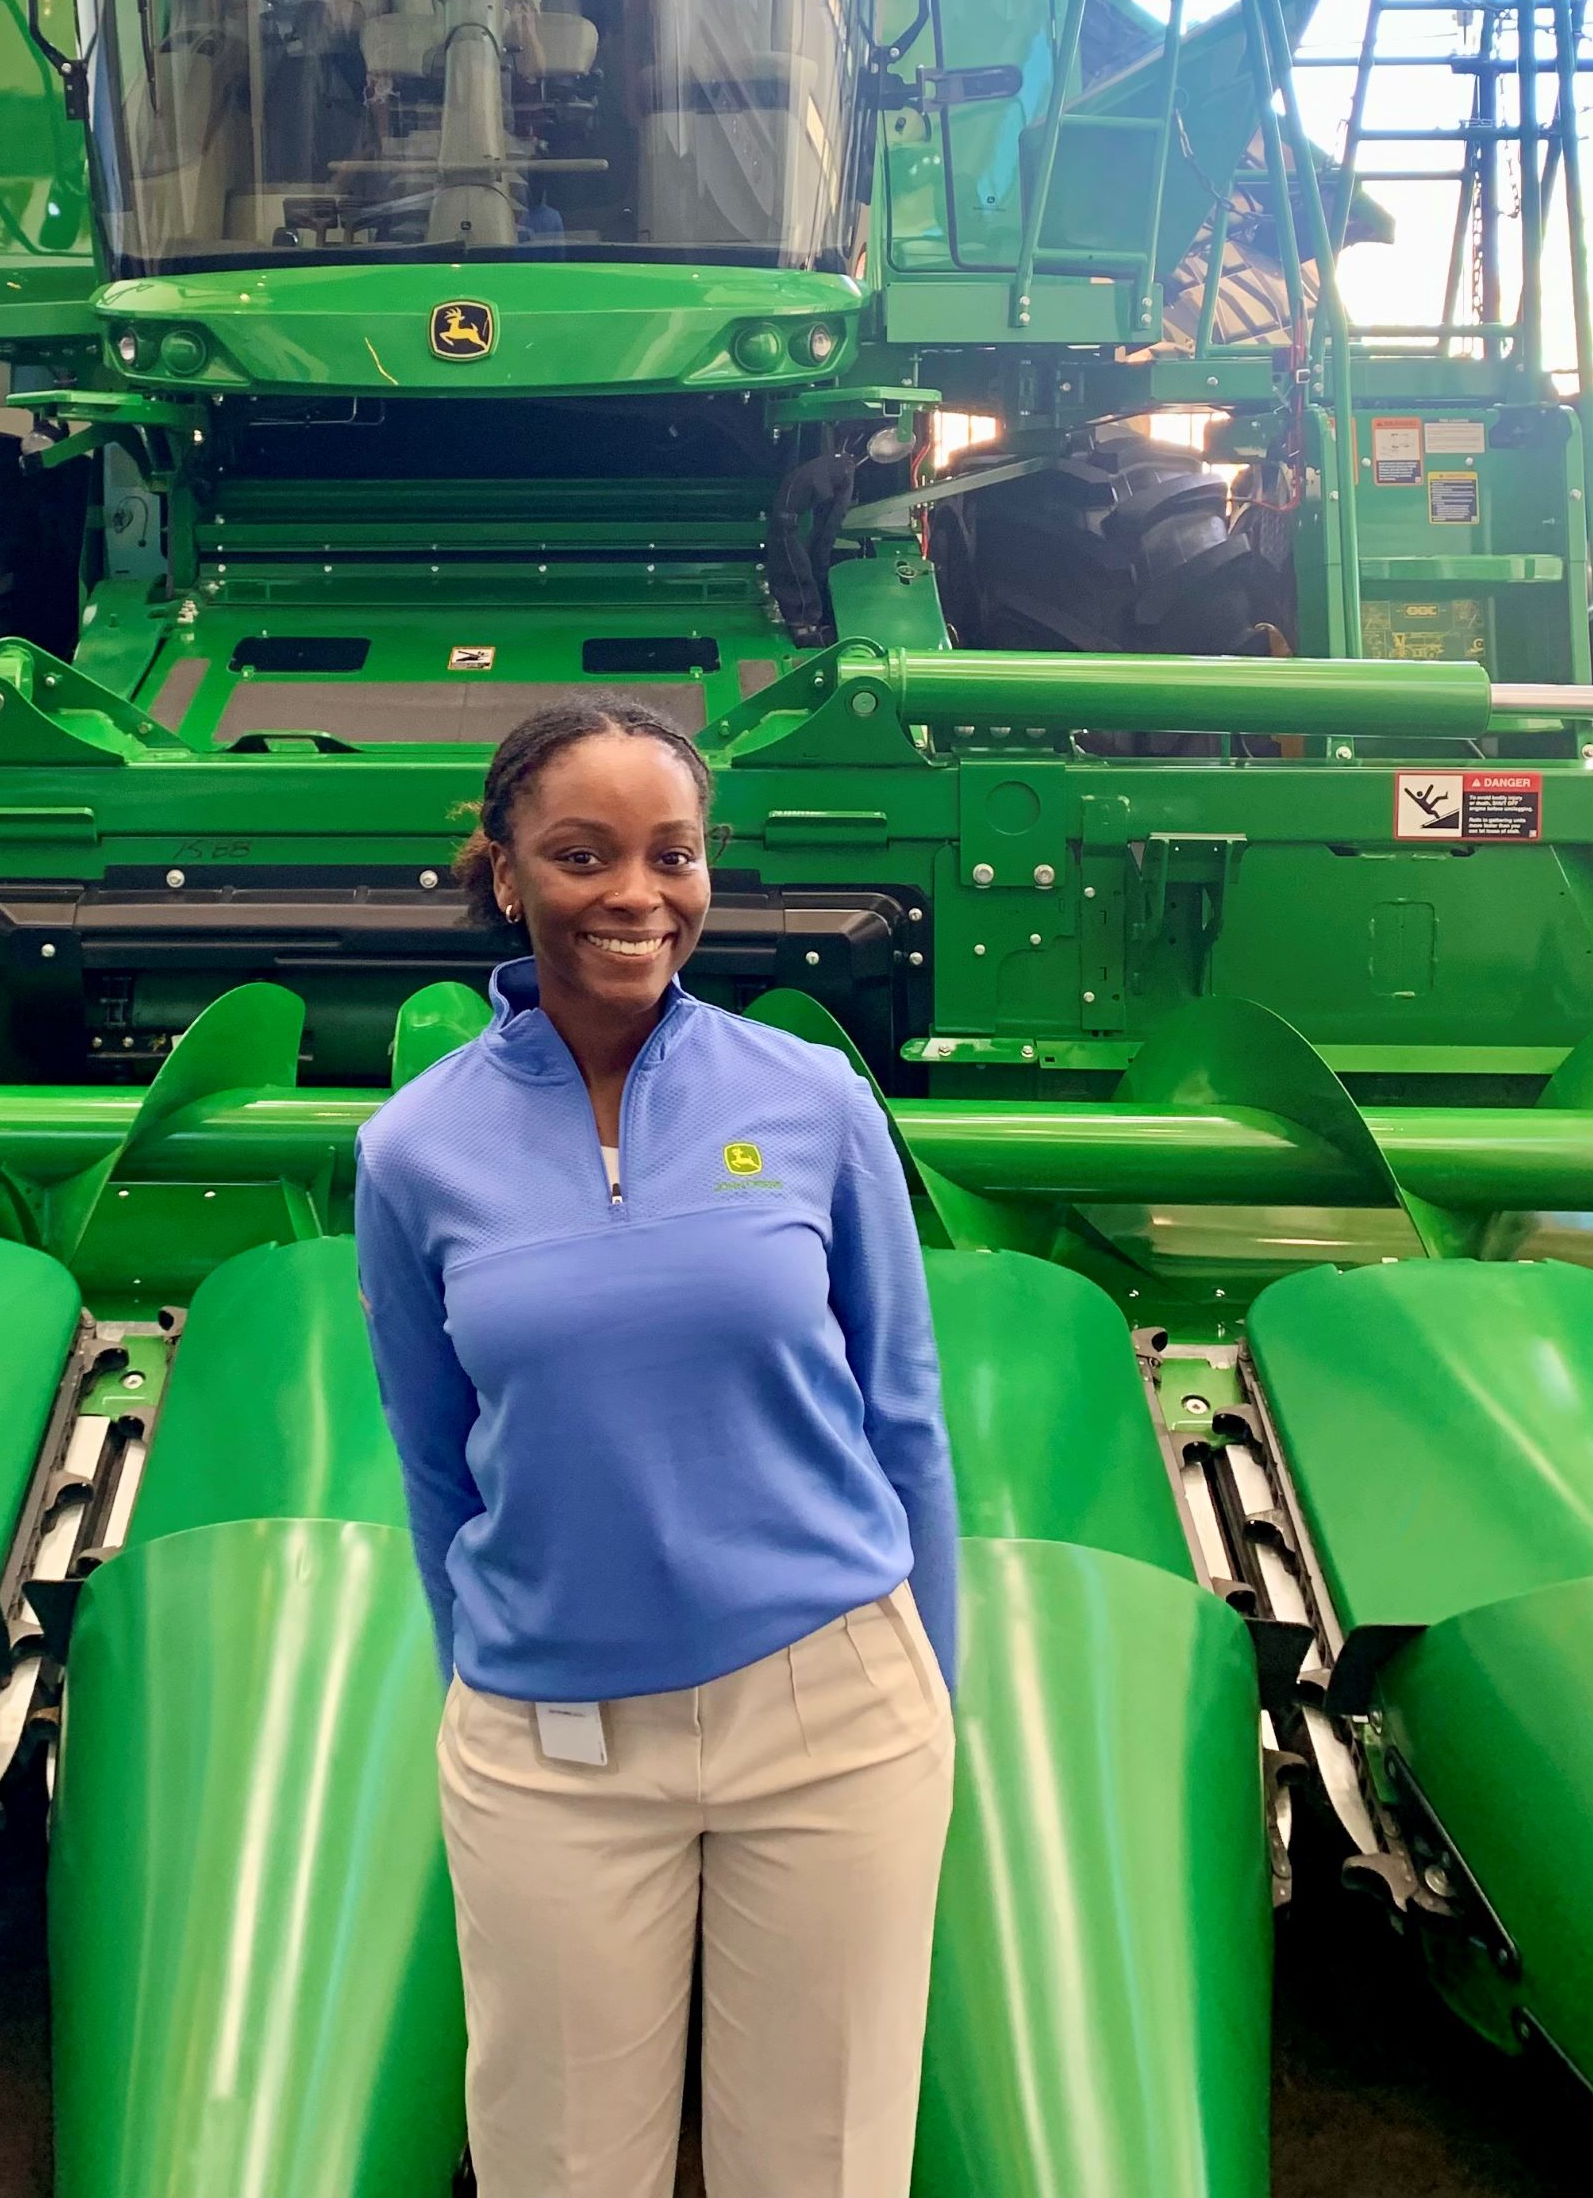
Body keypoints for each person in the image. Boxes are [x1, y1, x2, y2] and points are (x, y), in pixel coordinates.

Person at [355, 693, 959, 2198]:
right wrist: (498, 1674)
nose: (637, 894)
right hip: (551, 1747)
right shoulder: (411, 1150)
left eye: (672, 854)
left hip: (838, 1714)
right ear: (502, 871)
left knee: (818, 2171)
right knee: (558, 2170)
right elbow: (436, 1461)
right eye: (582, 853)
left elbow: (903, 1412)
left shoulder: (811, 1099)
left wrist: (927, 1683)